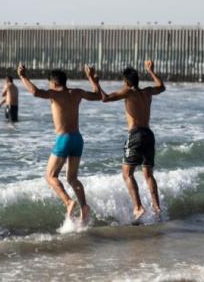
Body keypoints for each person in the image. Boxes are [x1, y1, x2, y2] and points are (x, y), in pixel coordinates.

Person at [17, 64, 100, 223]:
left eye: (50, 84)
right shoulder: (77, 93)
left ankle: (68, 201)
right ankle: (84, 206)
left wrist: (23, 76)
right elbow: (98, 95)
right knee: (72, 178)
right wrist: (91, 77)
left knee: (50, 176)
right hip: (78, 139)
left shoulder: (54, 94)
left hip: (64, 139)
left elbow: (35, 92)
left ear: (54, 84)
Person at [87, 60, 165, 221]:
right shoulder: (147, 92)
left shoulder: (128, 92)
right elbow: (162, 86)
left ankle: (138, 208)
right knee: (148, 174)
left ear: (127, 82)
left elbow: (105, 98)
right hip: (149, 134)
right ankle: (157, 207)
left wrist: (94, 81)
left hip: (136, 135)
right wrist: (151, 71)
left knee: (127, 174)